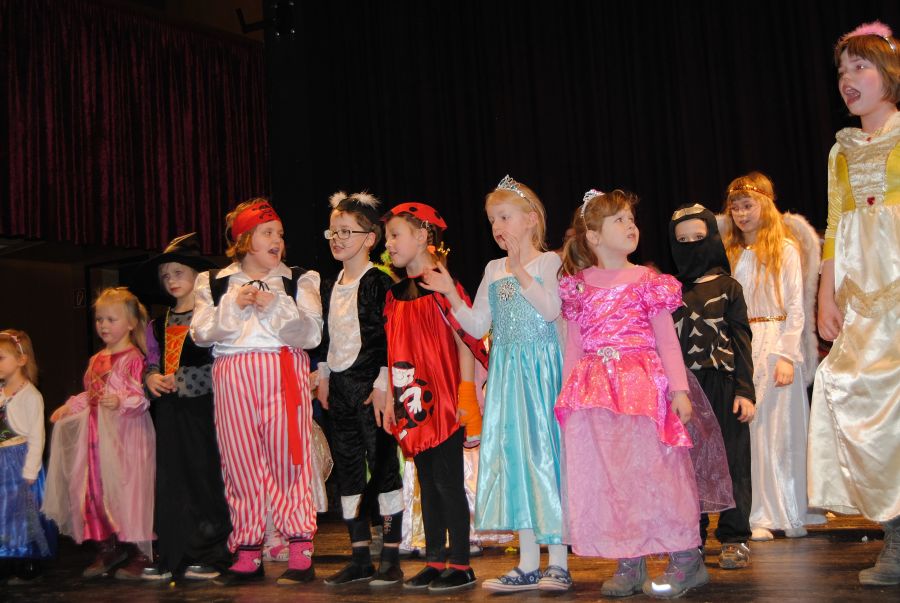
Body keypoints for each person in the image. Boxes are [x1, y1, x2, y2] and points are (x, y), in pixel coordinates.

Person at [556, 189, 705, 599]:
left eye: (630, 218)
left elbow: (667, 341)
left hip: (643, 389)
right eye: (618, 220)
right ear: (593, 236)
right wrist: (567, 395)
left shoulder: (647, 282)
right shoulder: (578, 287)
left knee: (658, 472)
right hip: (594, 392)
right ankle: (629, 559)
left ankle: (685, 557)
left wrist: (679, 390)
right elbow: (574, 345)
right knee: (614, 476)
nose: (630, 225)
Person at [424, 175, 570, 592]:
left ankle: (558, 562)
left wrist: (520, 269)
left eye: (504, 217)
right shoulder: (492, 269)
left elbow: (550, 310)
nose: (497, 227)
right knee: (516, 461)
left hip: (542, 375)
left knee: (547, 459)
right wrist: (451, 294)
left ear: (531, 219)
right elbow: (476, 325)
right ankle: (527, 562)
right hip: (508, 376)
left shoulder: (549, 263)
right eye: (492, 220)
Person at [809, 21, 900, 586]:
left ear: (888, 73)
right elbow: (835, 223)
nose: (848, 78)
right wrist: (825, 293)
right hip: (863, 298)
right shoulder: (839, 152)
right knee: (855, 394)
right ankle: (895, 533)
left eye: (860, 66)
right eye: (842, 70)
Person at [190, 198, 323, 586]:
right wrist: (233, 305)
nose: (277, 240)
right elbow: (201, 333)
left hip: (282, 368)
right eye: (268, 233)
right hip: (232, 373)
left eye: (280, 233)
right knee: (239, 463)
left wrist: (273, 305)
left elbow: (312, 334)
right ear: (245, 239)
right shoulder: (214, 282)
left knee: (290, 459)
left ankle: (299, 549)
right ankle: (248, 551)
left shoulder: (298, 279)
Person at [381, 202, 487, 592]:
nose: (389, 244)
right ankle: (435, 560)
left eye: (395, 235)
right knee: (427, 483)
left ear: (423, 235)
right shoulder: (394, 295)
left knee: (447, 482)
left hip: (442, 399)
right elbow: (393, 349)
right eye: (388, 237)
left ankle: (460, 563)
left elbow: (465, 339)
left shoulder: (443, 285)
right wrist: (392, 398)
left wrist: (465, 393)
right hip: (411, 400)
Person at [722, 172, 825, 543]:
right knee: (752, 433)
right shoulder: (730, 252)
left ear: (764, 205)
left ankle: (790, 509)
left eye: (747, 206)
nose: (741, 214)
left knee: (782, 432)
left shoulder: (784, 248)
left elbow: (796, 306)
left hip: (777, 341)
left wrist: (786, 355)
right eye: (735, 208)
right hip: (743, 344)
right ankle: (758, 513)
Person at [315, 191, 404, 587]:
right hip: (340, 390)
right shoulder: (330, 285)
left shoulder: (378, 283)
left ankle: (391, 555)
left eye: (345, 231)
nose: (337, 239)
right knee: (349, 469)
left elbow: (391, 336)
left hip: (371, 390)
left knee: (383, 467)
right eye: (332, 232)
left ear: (370, 238)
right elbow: (327, 337)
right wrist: (323, 374)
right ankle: (359, 556)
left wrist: (384, 383)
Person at [43, 288, 155, 579]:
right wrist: (70, 406)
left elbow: (141, 397)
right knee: (96, 490)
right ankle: (108, 546)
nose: (103, 325)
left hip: (124, 436)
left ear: (130, 323)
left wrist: (120, 401)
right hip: (95, 437)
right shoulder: (96, 359)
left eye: (111, 319)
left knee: (128, 490)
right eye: (99, 319)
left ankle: (140, 551)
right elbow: (91, 394)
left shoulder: (134, 358)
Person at [138, 233, 231, 582]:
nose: (172, 280)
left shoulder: (211, 319)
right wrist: (151, 378)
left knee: (204, 477)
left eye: (178, 272)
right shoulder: (158, 323)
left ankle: (212, 552)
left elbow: (222, 364)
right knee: (171, 481)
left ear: (196, 276)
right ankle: (172, 554)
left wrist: (184, 379)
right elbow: (151, 361)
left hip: (203, 412)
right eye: (166, 275)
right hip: (169, 413)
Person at [669, 204, 755, 568]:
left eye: (698, 238)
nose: (691, 245)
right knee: (690, 464)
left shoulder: (729, 287)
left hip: (723, 383)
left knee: (733, 460)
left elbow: (741, 341)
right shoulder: (670, 291)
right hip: (685, 389)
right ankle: (694, 536)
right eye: (683, 240)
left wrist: (745, 390)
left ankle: (735, 536)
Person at [0, 330, 56, 584]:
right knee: (4, 514)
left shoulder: (31, 395)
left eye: (1, 358)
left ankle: (27, 560)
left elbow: (36, 436)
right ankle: (5, 557)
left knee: (22, 515)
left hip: (19, 462)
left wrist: (31, 470)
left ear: (21, 360)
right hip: (2, 461)